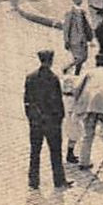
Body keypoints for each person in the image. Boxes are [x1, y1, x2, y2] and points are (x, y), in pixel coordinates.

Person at [24, 50, 71, 190]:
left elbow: (27, 101)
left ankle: (33, 181)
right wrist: (60, 118)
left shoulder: (30, 77)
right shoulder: (53, 78)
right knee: (55, 153)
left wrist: (31, 118)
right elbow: (58, 102)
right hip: (52, 123)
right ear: (51, 61)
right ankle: (59, 181)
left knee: (35, 152)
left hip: (36, 122)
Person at [62, 0, 94, 74]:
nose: (79, 1)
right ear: (73, 0)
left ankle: (77, 72)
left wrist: (90, 37)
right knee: (79, 57)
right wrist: (66, 40)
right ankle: (67, 67)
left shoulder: (82, 12)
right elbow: (66, 28)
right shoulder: (70, 13)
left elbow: (86, 26)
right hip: (74, 39)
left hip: (83, 39)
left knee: (84, 57)